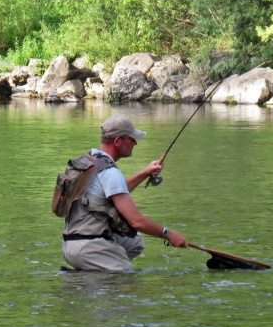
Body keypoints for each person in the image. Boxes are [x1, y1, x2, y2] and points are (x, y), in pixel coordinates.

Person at [61, 114, 187, 272]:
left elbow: (113, 192)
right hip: (89, 247)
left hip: (70, 244)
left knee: (135, 242)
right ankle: (103, 273)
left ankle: (96, 273)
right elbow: (136, 221)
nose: (135, 142)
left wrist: (145, 173)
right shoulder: (110, 173)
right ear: (117, 141)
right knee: (127, 281)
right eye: (131, 138)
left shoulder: (92, 160)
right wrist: (168, 234)